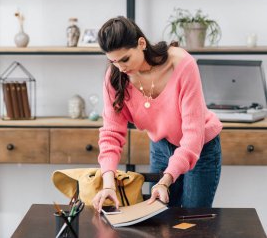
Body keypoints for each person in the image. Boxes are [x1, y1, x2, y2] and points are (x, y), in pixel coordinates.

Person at [92, 16, 222, 212]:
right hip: (161, 147)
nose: (121, 68)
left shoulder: (182, 65)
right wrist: (108, 184)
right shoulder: (115, 77)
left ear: (141, 43)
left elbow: (193, 136)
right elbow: (111, 135)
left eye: (125, 59)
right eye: (113, 61)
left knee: (192, 219)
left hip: (200, 147)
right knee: (159, 217)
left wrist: (165, 181)